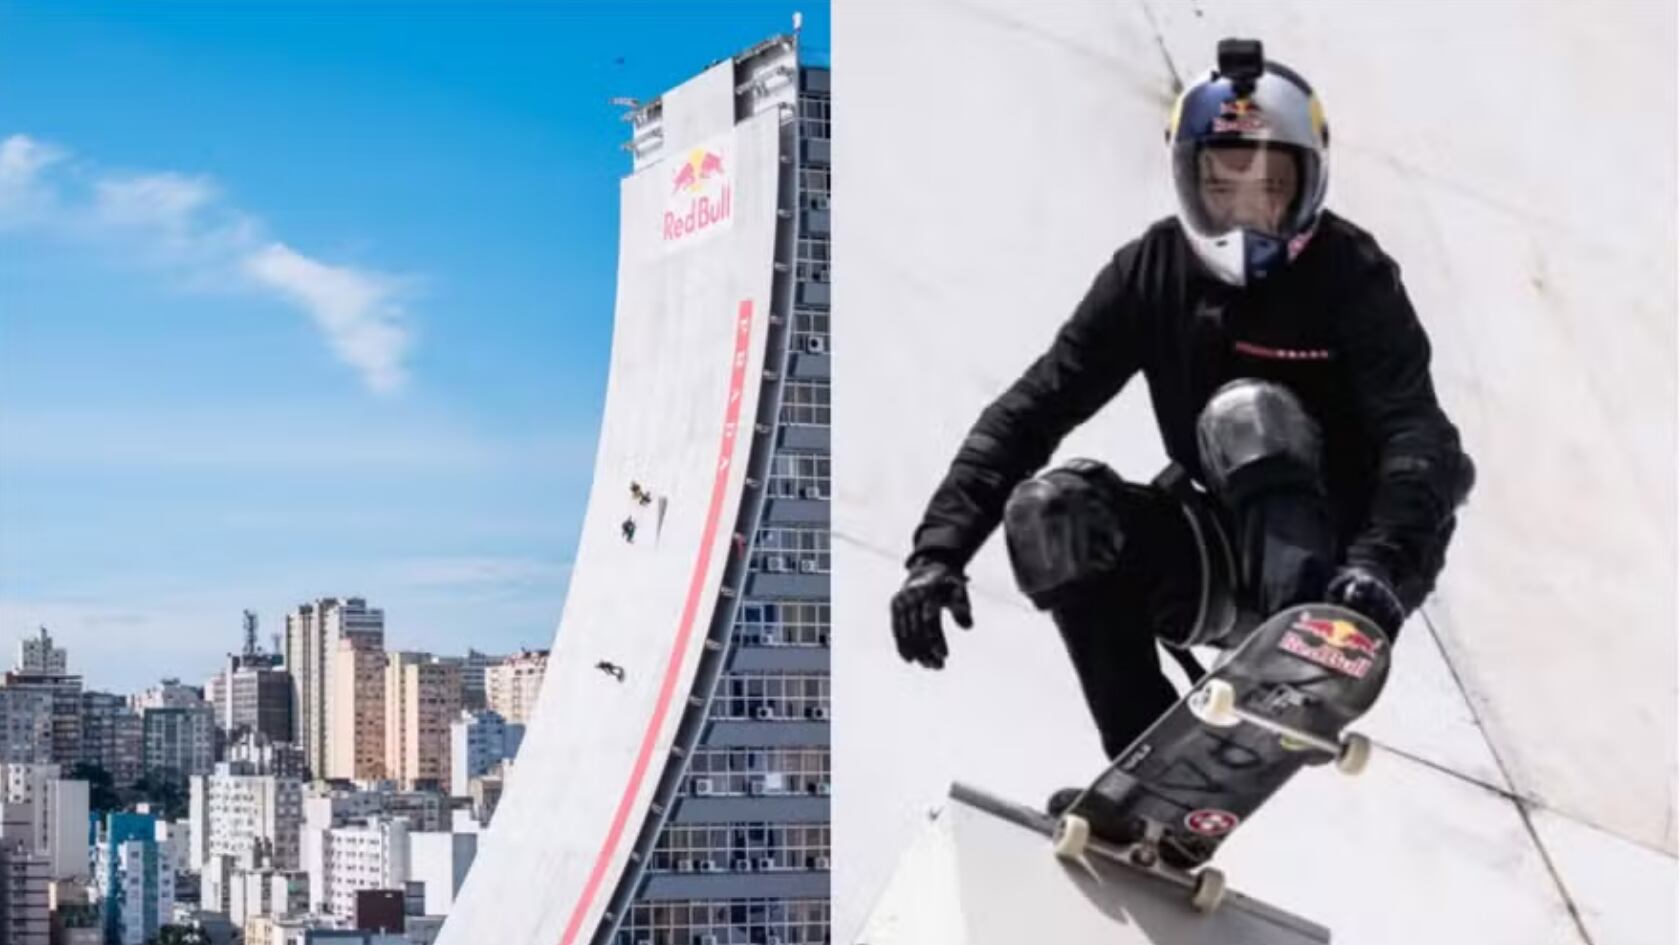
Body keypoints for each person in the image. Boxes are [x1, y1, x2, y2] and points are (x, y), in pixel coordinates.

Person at [888, 39, 1475, 826]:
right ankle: (1153, 774)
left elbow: (1422, 444)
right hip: (1223, 553)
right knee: (1050, 512)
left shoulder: (1353, 275)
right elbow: (1031, 410)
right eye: (1221, 184)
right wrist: (939, 550)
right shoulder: (1150, 272)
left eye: (1269, 185)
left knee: (1247, 412)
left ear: (1309, 182)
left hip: (1348, 567)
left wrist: (1379, 570)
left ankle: (1297, 656)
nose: (1244, 211)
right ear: (1187, 180)